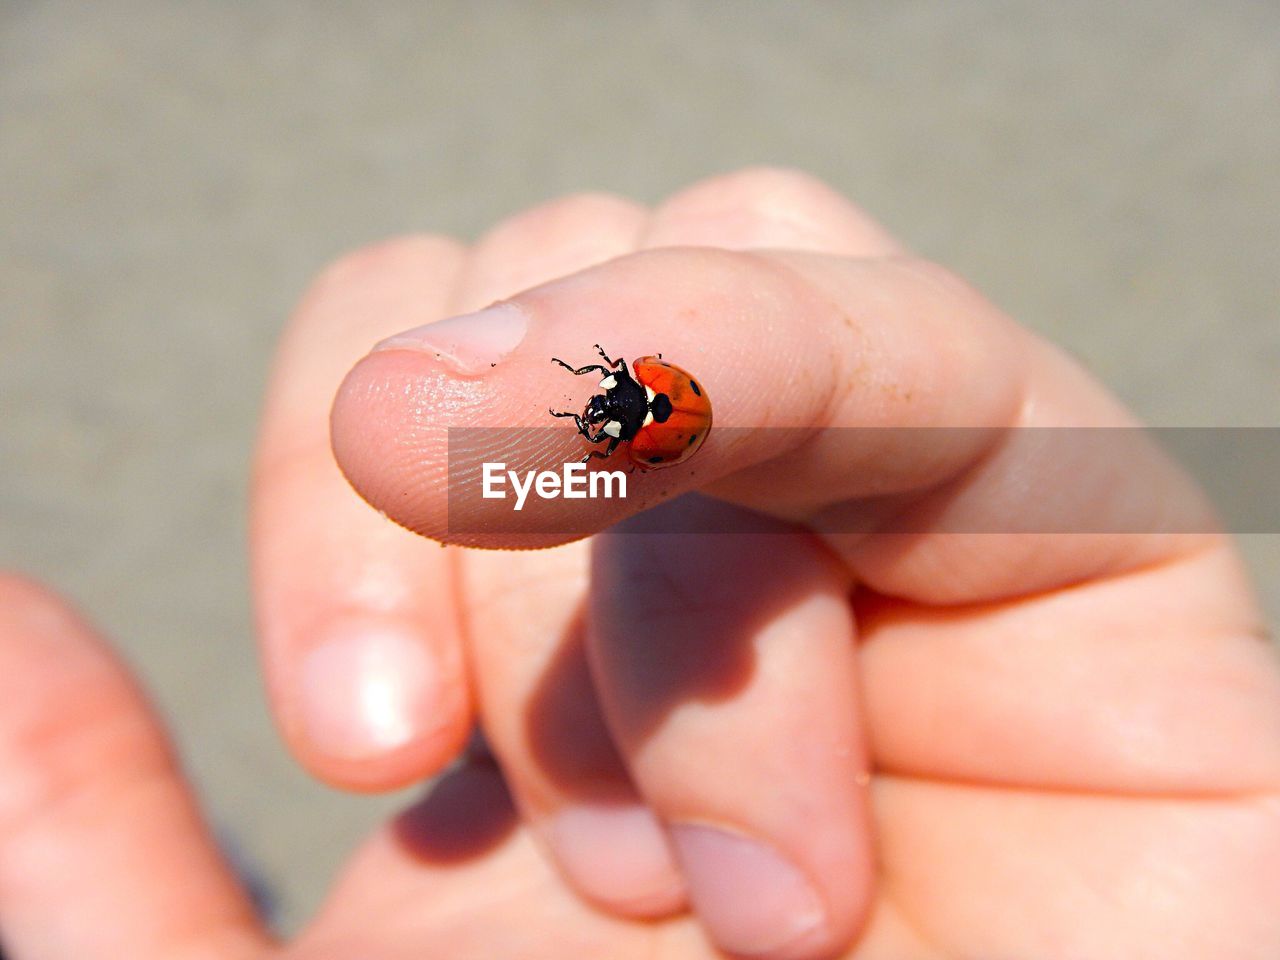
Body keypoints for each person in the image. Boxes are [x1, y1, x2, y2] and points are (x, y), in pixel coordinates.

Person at [2, 168, 1277, 959]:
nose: (606, 414)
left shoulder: (636, 408)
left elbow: (643, 396)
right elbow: (624, 397)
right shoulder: (621, 407)